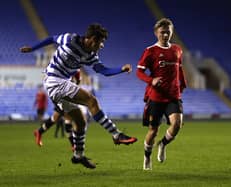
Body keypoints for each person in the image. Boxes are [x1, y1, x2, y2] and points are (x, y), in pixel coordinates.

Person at [20, 23, 137, 169]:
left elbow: (103, 70)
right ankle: (116, 134)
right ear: (93, 39)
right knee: (91, 100)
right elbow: (52, 39)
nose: (102, 46)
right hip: (54, 80)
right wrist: (32, 48)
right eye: (101, 42)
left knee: (80, 123)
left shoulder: (91, 55)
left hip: (60, 86)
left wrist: (121, 69)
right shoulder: (70, 39)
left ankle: (78, 156)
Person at [136, 18, 187, 170]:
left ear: (172, 33)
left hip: (173, 96)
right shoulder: (150, 51)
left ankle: (163, 144)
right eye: (162, 32)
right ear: (156, 33)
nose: (165, 35)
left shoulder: (177, 49)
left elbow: (179, 69)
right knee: (153, 130)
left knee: (177, 124)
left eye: (168, 32)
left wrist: (182, 84)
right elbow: (139, 72)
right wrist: (150, 80)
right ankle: (147, 158)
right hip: (156, 97)